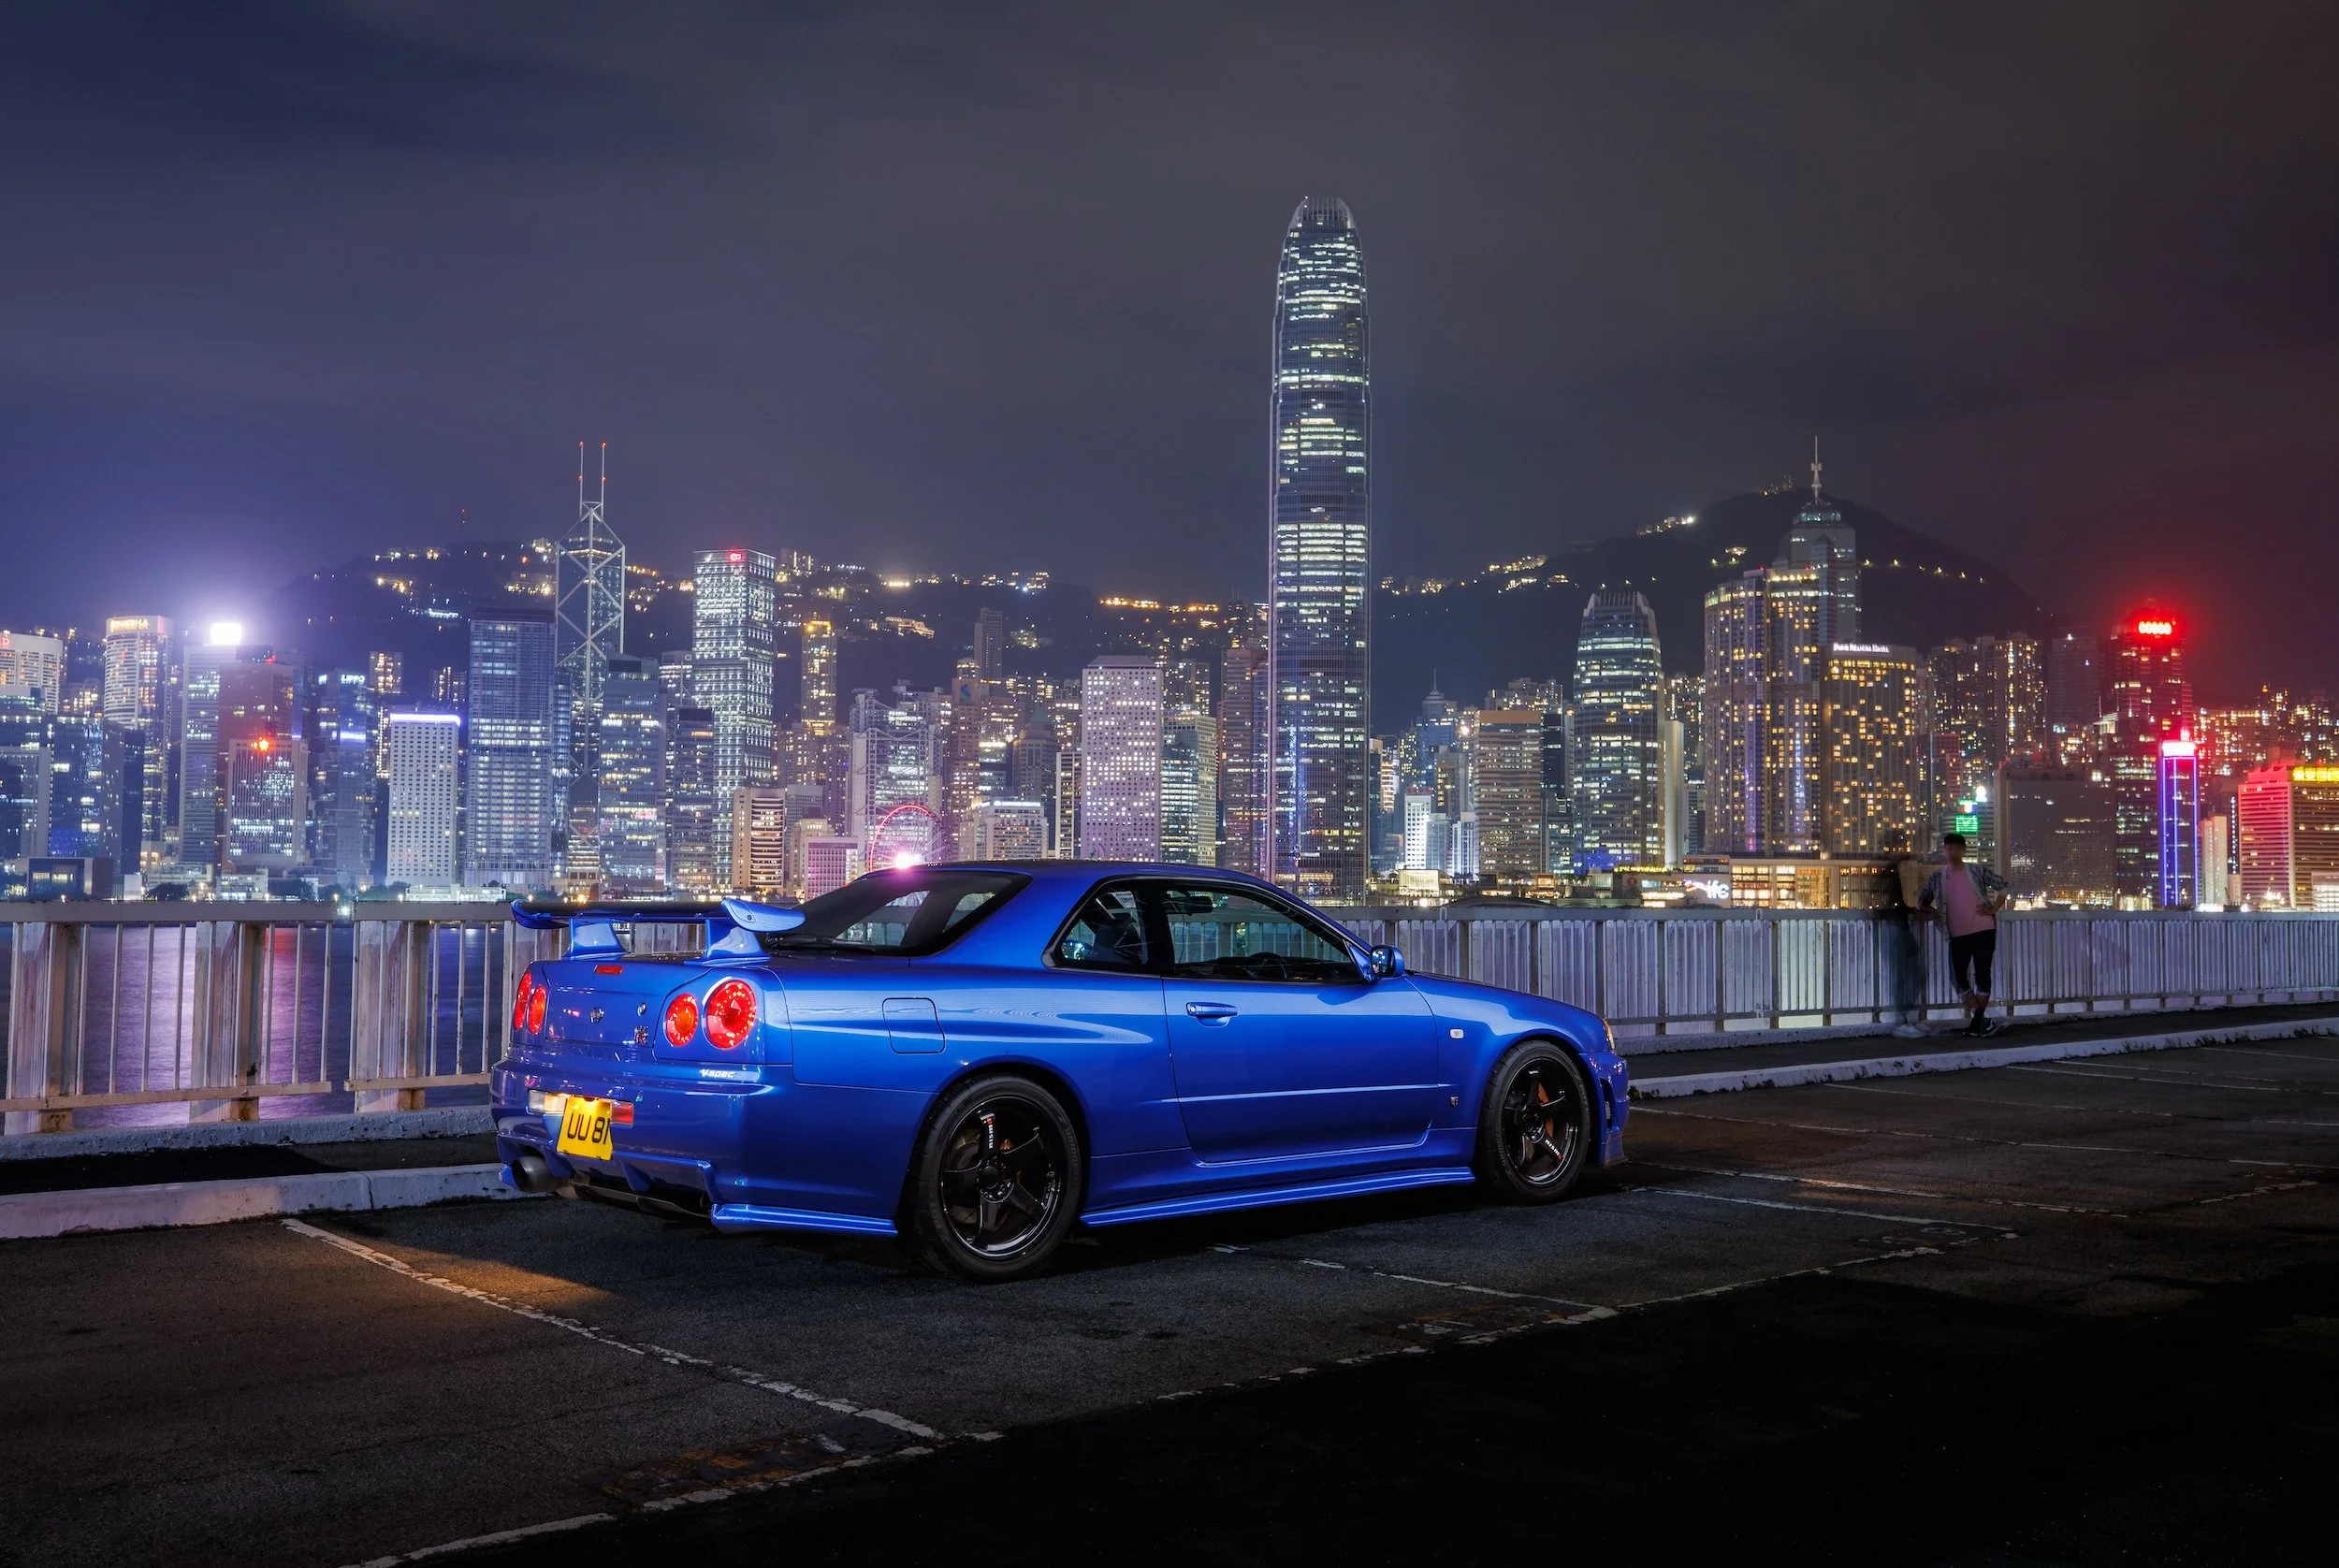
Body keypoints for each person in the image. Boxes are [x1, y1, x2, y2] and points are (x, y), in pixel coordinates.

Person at [1917, 833, 2009, 1038]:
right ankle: (1982, 1021)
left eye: (1956, 848)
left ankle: (1977, 1024)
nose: (1952, 852)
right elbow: (1921, 901)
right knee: (1959, 979)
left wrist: (1993, 909)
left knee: (1982, 975)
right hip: (1957, 935)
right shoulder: (1937, 877)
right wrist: (1937, 914)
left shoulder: (1975, 871)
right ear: (1944, 851)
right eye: (1948, 848)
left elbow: (2003, 886)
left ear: (1963, 850)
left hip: (1984, 930)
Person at [1878, 833, 1927, 1037]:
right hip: (1894, 928)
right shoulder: (1885, 871)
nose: (1904, 851)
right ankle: (1902, 1020)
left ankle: (1907, 1017)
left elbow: (1892, 902)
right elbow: (1882, 903)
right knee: (1905, 975)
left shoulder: (1893, 870)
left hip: (1900, 926)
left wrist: (1911, 911)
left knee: (1913, 975)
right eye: (1899, 847)